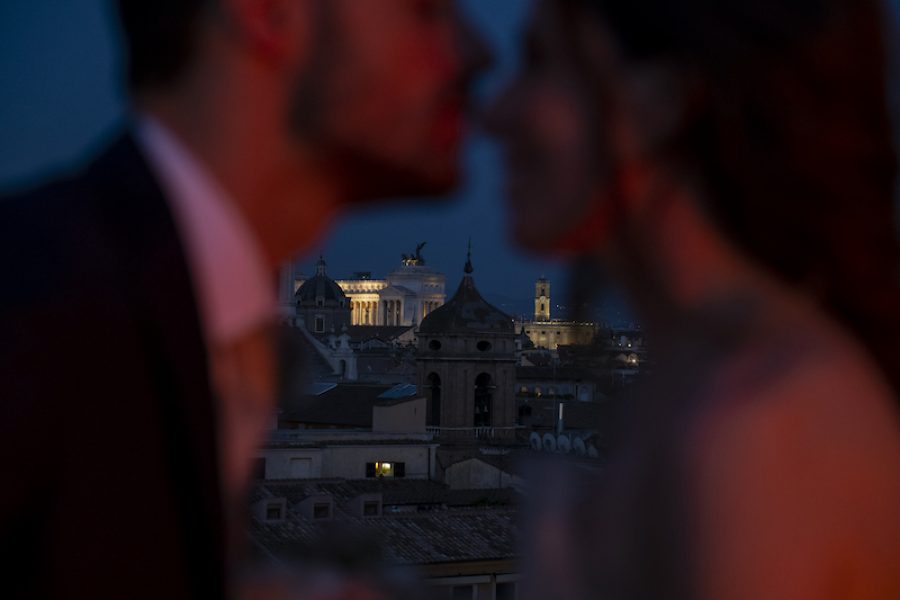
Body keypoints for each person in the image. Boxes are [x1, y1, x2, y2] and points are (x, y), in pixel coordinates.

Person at [0, 0, 488, 597]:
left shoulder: (144, 316)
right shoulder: (33, 319)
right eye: (425, 9)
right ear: (267, 14)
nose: (476, 51)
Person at [488, 0, 900, 597]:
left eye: (542, 64)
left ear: (659, 102)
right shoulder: (702, 395)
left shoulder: (755, 428)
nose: (495, 114)